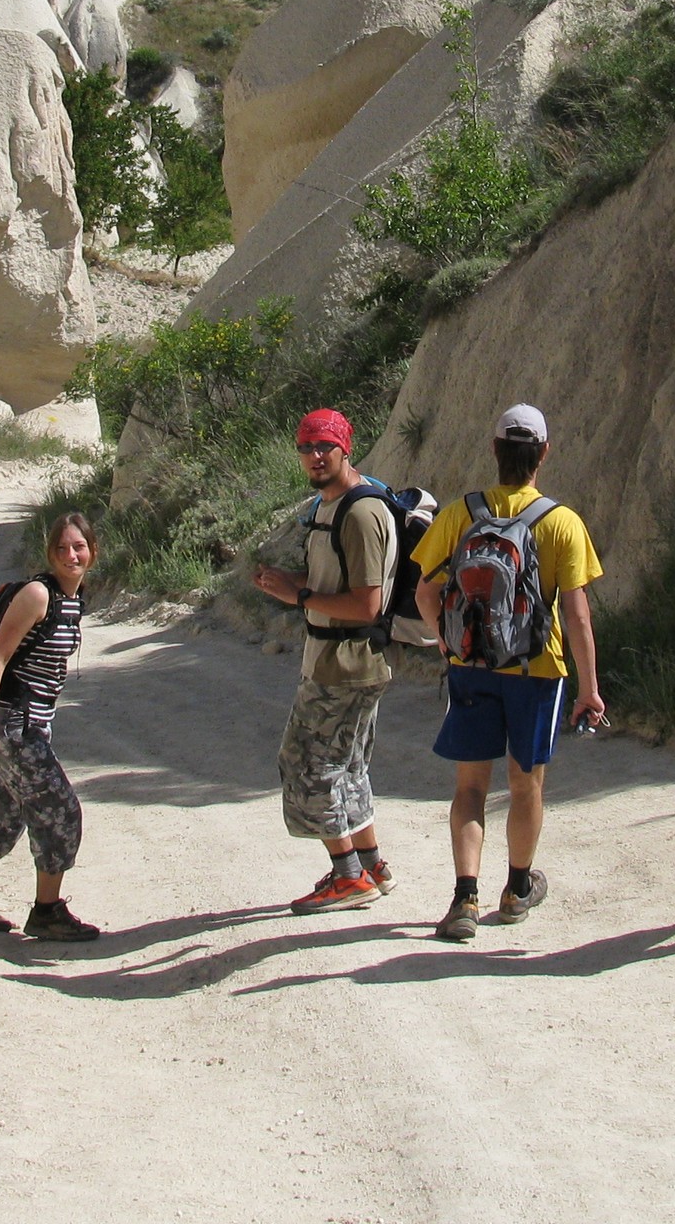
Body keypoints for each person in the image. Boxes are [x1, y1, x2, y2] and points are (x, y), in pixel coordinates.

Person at [410, 404, 605, 942]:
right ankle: (517, 889)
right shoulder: (561, 522)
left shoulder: (459, 513)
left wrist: (450, 646)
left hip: (472, 666)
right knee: (526, 785)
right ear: (544, 453)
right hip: (538, 669)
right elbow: (578, 614)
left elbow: (425, 591)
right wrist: (589, 690)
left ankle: (464, 899)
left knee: (470, 786)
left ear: (494, 450)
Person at [252, 407, 398, 914]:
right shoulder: (328, 506)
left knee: (307, 763)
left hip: (347, 664)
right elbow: (329, 587)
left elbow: (366, 604)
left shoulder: (360, 513)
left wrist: (298, 597)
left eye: (324, 447)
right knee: (348, 764)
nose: (314, 457)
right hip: (338, 658)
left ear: (345, 448)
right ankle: (370, 864)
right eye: (306, 447)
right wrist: (292, 585)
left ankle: (347, 876)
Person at [0, 513, 101, 941]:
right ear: (50, 553)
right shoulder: (37, 595)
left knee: (6, 811)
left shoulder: (75, 597)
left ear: (92, 552)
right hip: (14, 726)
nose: (71, 555)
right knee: (60, 811)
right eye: (62, 548)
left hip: (32, 724)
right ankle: (47, 911)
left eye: (79, 547)